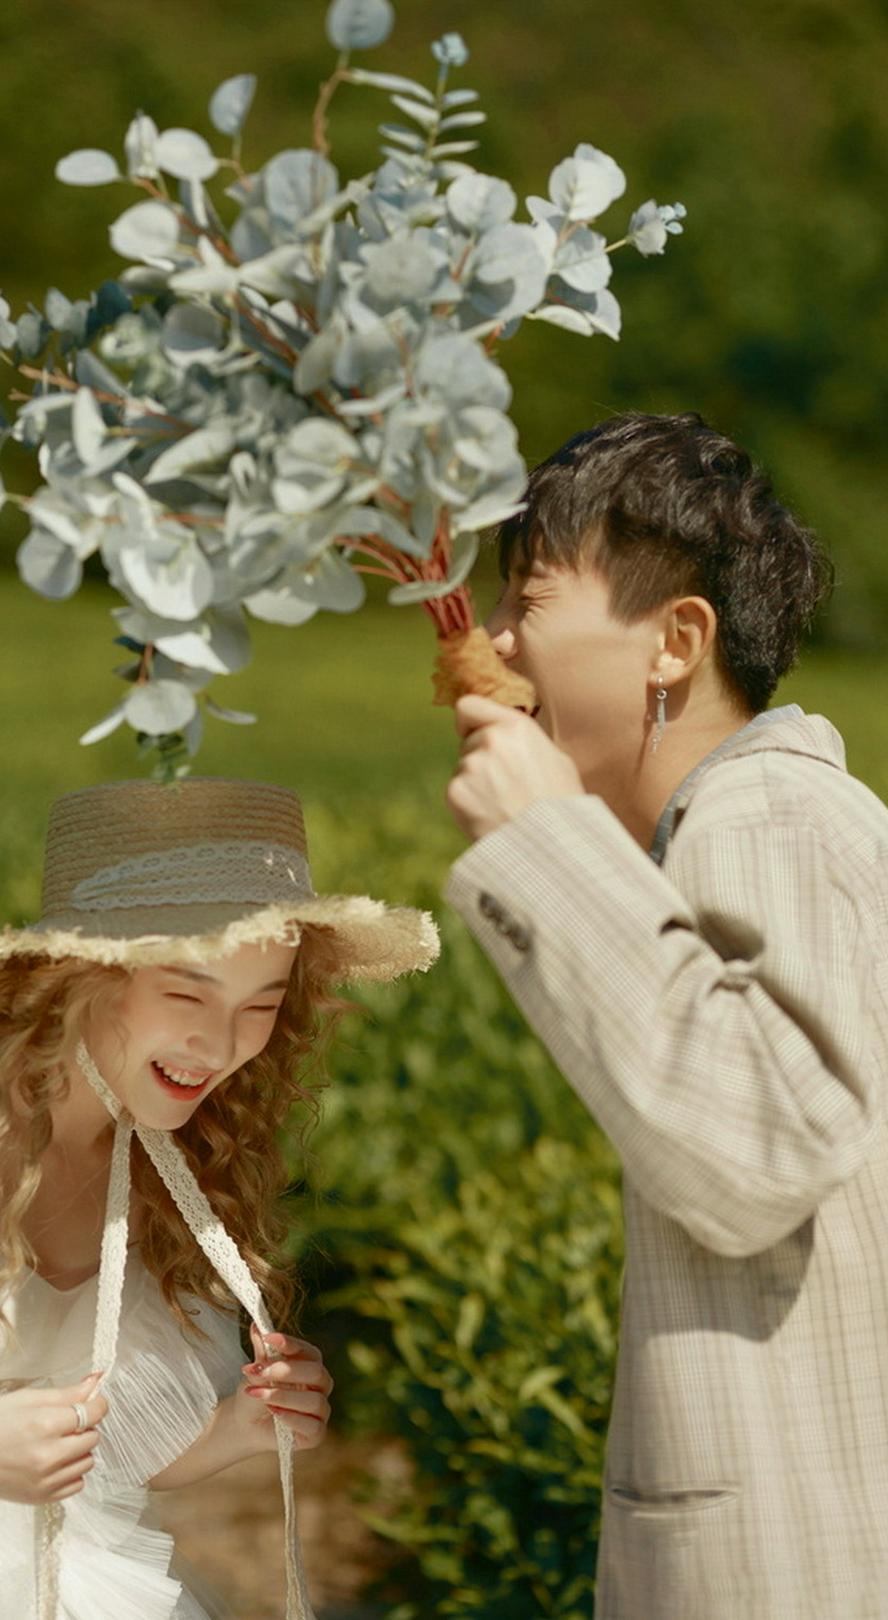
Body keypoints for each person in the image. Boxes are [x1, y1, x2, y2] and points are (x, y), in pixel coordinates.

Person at [444, 411, 888, 1620]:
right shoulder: (755, 820)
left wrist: (547, 846)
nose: (491, 637)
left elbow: (761, 1147)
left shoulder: (767, 815)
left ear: (675, 642)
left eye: (529, 595)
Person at [0, 776, 438, 1620]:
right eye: (186, 993)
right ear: (77, 978)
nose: (221, 1044)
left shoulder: (160, 1168)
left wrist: (239, 1430)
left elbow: (95, 1464)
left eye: (261, 1005)